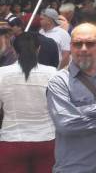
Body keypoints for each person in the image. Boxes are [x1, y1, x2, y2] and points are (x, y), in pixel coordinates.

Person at [46, 23, 96, 173]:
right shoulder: (58, 82)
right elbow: (67, 124)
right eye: (77, 44)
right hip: (74, 168)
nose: (83, 49)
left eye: (89, 43)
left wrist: (82, 111)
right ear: (70, 46)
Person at [0, 32, 57, 172]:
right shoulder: (53, 73)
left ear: (14, 50)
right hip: (47, 139)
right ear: (38, 49)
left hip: (12, 139)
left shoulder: (2, 73)